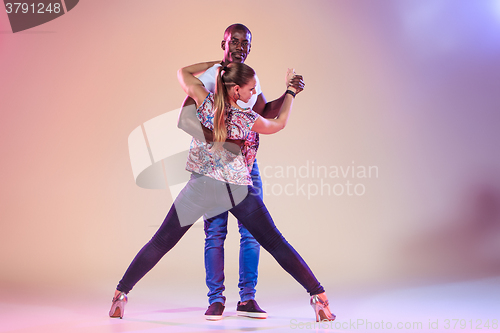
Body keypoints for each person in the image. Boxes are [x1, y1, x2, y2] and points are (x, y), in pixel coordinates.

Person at [109, 61, 336, 324]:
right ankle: (319, 298)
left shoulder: (204, 101)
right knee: (275, 242)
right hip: (236, 190)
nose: (254, 96)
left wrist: (215, 65)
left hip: (200, 188)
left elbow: (183, 73)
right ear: (236, 90)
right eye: (251, 90)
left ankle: (120, 295)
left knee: (161, 242)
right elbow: (280, 123)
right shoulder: (246, 118)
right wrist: (291, 93)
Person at [177, 23, 305, 320]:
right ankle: (216, 300)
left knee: (252, 234)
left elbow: (262, 114)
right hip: (217, 170)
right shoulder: (212, 77)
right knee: (216, 233)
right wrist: (215, 144)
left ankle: (247, 299)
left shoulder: (249, 78)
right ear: (223, 42)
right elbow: (185, 119)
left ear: (250, 47)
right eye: (233, 40)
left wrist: (290, 92)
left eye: (245, 42)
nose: (239, 46)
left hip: (247, 166)